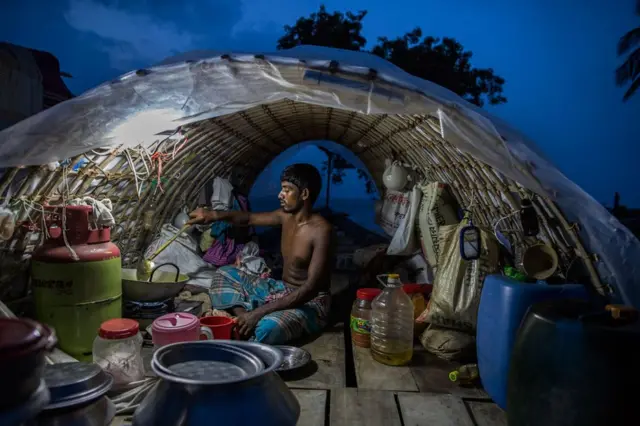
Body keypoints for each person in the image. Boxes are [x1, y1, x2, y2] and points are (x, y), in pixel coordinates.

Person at [187, 163, 333, 344]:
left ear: (304, 194)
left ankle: (250, 321)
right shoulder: (285, 216)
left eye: (287, 190)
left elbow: (310, 289)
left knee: (268, 327)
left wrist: (259, 313)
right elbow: (248, 218)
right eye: (282, 189)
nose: (280, 195)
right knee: (223, 273)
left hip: (310, 302)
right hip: (281, 290)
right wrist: (213, 215)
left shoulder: (321, 231)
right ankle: (244, 320)